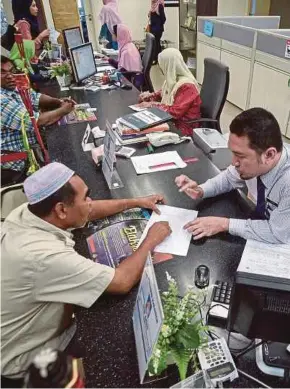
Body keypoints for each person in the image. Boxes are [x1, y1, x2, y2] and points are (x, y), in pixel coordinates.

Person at [1, 162, 171, 381]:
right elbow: (121, 281)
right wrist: (151, 239)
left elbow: (86, 210)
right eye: (85, 197)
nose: (90, 202)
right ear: (61, 209)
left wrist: (135, 202)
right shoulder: (43, 257)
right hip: (24, 357)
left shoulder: (30, 212)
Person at [175, 108, 290, 244]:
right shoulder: (254, 161)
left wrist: (223, 224)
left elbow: (277, 233)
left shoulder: (287, 182)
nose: (233, 162)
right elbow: (228, 178)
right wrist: (201, 190)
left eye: (240, 156)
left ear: (269, 155)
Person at [0, 56, 75, 184]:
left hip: (32, 154)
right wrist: (64, 110)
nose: (10, 76)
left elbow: (35, 97)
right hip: (16, 166)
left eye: (12, 71)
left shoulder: (12, 87)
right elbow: (35, 122)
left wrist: (59, 102)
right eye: (2, 72)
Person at [138, 48, 201, 136]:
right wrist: (150, 96)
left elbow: (175, 112)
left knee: (144, 133)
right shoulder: (173, 79)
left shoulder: (187, 87)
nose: (160, 68)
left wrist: (152, 104)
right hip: (171, 122)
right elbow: (164, 93)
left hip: (182, 128)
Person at [108, 24, 143, 89]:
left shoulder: (126, 52)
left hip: (132, 83)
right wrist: (109, 60)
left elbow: (123, 73)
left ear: (119, 35)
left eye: (113, 33)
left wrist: (109, 77)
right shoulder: (128, 45)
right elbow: (122, 66)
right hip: (132, 77)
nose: (112, 35)